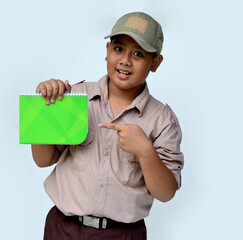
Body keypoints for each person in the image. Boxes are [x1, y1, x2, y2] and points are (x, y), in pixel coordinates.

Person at [31, 12, 184, 240]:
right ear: (107, 51)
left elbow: (165, 193)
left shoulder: (163, 120)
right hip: (63, 229)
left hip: (122, 234)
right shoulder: (75, 97)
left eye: (139, 54)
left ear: (155, 63)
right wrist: (45, 107)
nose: (125, 60)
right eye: (119, 49)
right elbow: (42, 160)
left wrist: (145, 151)